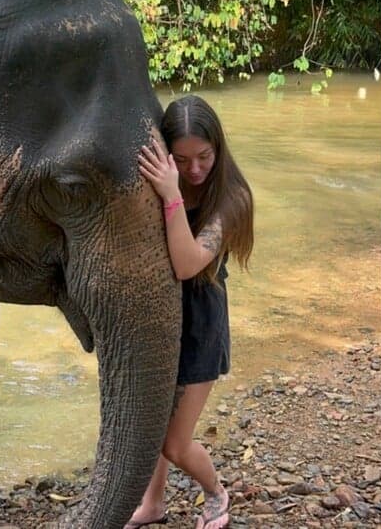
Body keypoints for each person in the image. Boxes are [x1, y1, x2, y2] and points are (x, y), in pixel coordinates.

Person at [129, 95, 254, 529]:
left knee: (175, 444)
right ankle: (153, 505)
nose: (195, 169)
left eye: (203, 156)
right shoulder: (167, 178)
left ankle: (216, 494)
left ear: (218, 147)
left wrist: (169, 193)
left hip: (201, 327)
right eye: (181, 159)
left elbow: (185, 264)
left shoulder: (232, 198)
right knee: (154, 426)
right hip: (163, 317)